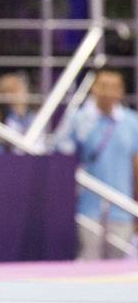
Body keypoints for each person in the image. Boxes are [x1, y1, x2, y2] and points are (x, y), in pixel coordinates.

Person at [54, 68, 138, 260]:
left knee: (120, 269)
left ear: (122, 91)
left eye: (114, 87)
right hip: (87, 208)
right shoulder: (78, 119)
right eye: (103, 86)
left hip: (121, 209)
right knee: (89, 263)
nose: (108, 92)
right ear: (94, 88)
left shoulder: (132, 122)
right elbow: (60, 156)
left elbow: (136, 166)